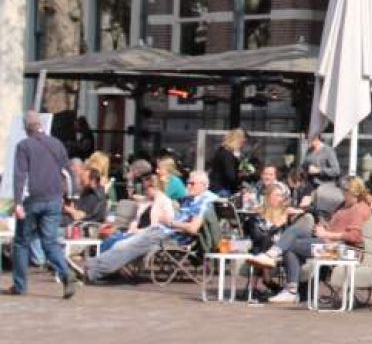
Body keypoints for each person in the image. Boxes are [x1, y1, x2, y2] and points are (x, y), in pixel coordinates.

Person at [250, 177, 372, 304]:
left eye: (345, 192)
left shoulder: (361, 209)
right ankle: (274, 256)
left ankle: (289, 287)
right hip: (327, 243)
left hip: (343, 251)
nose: (343, 195)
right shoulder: (344, 205)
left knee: (290, 246)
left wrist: (327, 233)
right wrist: (322, 227)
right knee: (296, 231)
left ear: (354, 192)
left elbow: (354, 236)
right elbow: (333, 225)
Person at [87, 170, 218, 282]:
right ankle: (94, 266)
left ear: (203, 185)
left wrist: (170, 222)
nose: (188, 186)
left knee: (129, 246)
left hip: (170, 237)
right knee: (122, 244)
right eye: (188, 182)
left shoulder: (204, 202)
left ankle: (94, 270)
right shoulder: (189, 200)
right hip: (161, 231)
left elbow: (193, 228)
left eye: (192, 183)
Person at [8, 111, 80, 298]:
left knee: (22, 242)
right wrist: (71, 196)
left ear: (25, 127)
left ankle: (20, 286)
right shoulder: (57, 144)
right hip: (54, 200)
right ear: (40, 125)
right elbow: (68, 171)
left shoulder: (24, 146)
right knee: (50, 242)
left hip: (33, 200)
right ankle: (66, 273)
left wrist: (17, 203)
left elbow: (20, 176)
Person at [101, 172, 176, 253]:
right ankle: (97, 260)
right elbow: (137, 218)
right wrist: (133, 226)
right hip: (135, 233)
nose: (145, 191)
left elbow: (163, 226)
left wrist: (140, 231)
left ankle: (102, 262)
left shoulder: (165, 202)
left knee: (117, 243)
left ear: (154, 187)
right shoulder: (146, 201)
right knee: (111, 240)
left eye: (146, 189)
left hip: (148, 236)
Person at [207, 128, 246, 196]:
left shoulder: (221, 151)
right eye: (242, 142)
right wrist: (241, 175)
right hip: (222, 189)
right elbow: (231, 175)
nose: (242, 146)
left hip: (215, 187)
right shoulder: (227, 155)